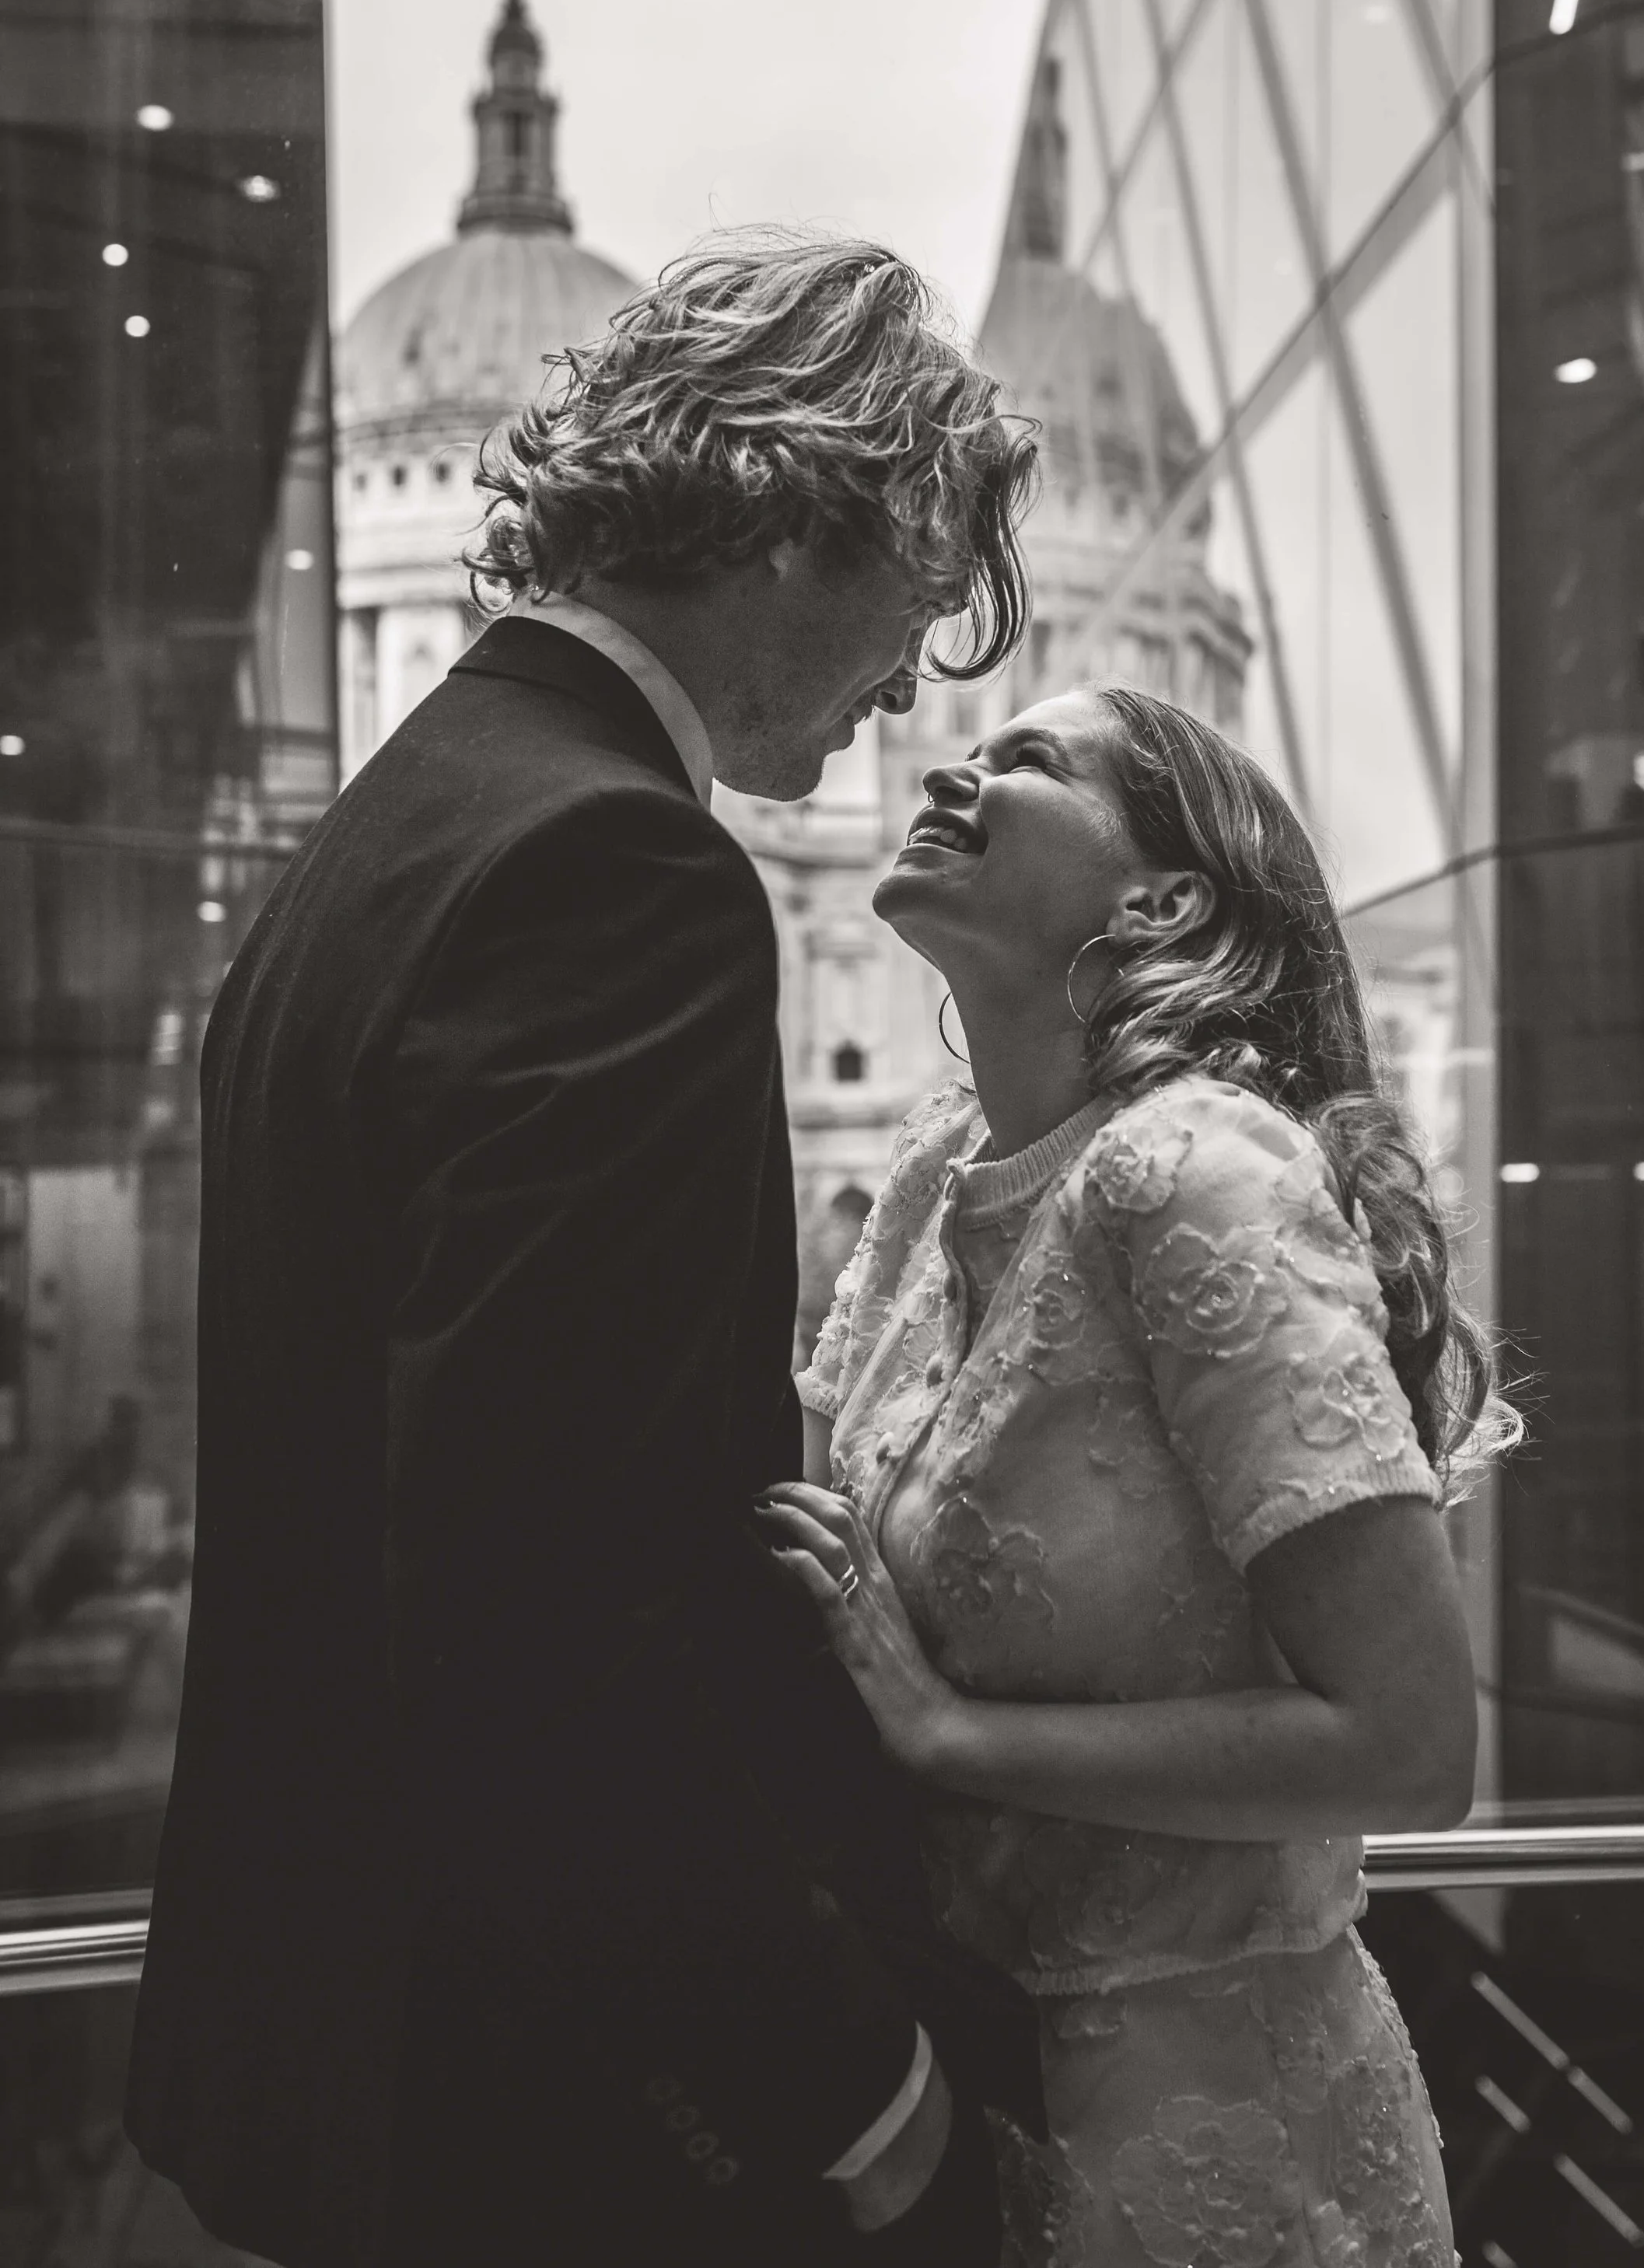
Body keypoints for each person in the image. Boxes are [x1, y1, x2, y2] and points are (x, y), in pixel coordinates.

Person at [127, 232, 1044, 2268]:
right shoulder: (615, 868)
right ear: (813, 517)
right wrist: (872, 2108)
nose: (909, 686)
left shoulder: (383, 836)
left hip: (337, 2038)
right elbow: (560, 1619)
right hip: (547, 2093)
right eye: (917, 606)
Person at [764, 684, 1522, 2267]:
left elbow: (1406, 1743)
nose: (955, 765)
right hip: (957, 2077)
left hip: (1210, 2118)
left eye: (1032, 761)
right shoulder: (931, 1176)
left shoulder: (1192, 1172)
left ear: (1159, 900)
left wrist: (957, 1737)